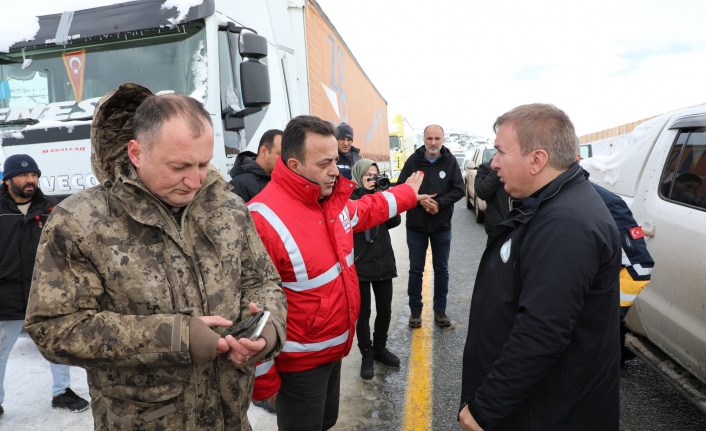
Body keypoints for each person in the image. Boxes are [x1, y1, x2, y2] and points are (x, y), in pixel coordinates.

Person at [24, 83, 287, 431]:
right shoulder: (80, 222)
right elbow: (53, 328)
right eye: (179, 166)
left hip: (230, 417)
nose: (194, 180)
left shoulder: (227, 206)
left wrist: (266, 329)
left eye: (203, 163)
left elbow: (263, 281)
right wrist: (175, 337)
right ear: (136, 152)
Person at [247, 115, 425, 430]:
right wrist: (264, 381)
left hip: (332, 348)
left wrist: (406, 195)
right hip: (299, 364)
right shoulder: (263, 220)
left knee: (326, 421)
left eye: (337, 160)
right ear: (295, 165)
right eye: (325, 162)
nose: (335, 170)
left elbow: (369, 209)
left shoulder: (328, 203)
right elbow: (251, 313)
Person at [459, 103, 621, 431]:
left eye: (501, 151)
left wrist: (485, 408)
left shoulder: (566, 224)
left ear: (536, 160)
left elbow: (542, 331)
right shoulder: (551, 206)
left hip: (550, 413)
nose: (494, 162)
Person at [0, 154, 90, 415]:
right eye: (24, 176)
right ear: (7, 180)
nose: (31, 180)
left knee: (56, 344)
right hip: (7, 293)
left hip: (47, 292)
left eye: (34, 175)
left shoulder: (52, 208)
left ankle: (62, 392)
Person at [397, 124, 465, 328]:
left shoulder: (450, 161)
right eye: (429, 138)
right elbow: (401, 187)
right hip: (416, 226)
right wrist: (419, 200)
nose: (433, 142)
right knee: (416, 270)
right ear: (424, 140)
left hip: (441, 226)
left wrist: (439, 204)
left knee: (441, 269)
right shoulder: (413, 161)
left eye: (437, 138)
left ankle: (440, 311)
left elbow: (459, 189)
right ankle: (415, 312)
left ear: (443, 139)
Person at [590, 179, 654, 365]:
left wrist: (604, 318)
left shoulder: (605, 203)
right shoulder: (525, 197)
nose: (497, 163)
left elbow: (639, 267)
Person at [350, 159, 402, 380]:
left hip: (382, 260)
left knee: (385, 310)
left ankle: (380, 348)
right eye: (367, 176)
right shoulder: (350, 199)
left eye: (375, 175)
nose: (373, 179)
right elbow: (352, 220)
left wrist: (385, 196)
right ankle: (367, 355)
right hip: (360, 262)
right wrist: (365, 194)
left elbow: (395, 221)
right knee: (363, 315)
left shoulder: (381, 195)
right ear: (358, 177)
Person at [229, 128, 283, 202]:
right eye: (280, 154)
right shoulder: (239, 184)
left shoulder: (279, 180)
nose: (284, 160)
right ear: (264, 152)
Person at [474, 161, 511, 244]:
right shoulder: (485, 167)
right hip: (497, 230)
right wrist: (498, 168)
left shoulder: (519, 165)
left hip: (521, 228)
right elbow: (482, 192)